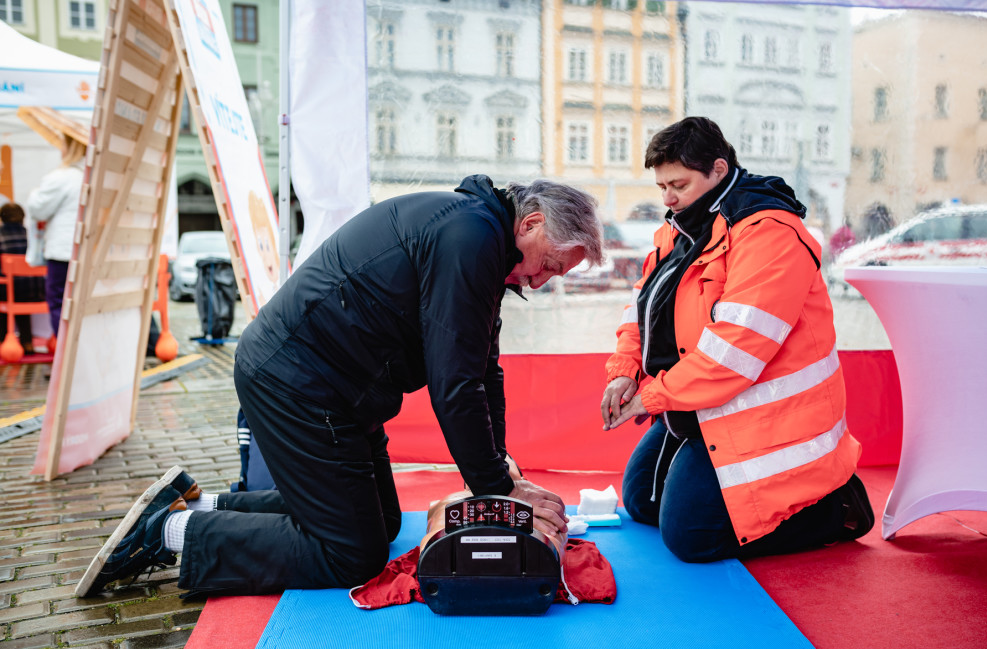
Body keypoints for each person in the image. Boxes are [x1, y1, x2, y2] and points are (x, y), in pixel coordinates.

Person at [77, 174, 604, 597]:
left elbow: (485, 370)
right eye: (550, 266)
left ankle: (199, 507)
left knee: (385, 522)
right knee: (349, 553)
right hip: (300, 384)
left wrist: (501, 468)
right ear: (530, 224)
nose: (541, 281)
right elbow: (455, 384)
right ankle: (164, 535)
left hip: (333, 388)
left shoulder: (476, 233)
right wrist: (497, 487)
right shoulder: (471, 240)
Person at [600, 117, 873, 564]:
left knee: (692, 537)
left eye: (679, 185)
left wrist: (652, 397)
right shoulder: (682, 227)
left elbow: (734, 352)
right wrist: (623, 371)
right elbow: (643, 307)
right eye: (661, 187)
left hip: (768, 419)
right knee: (642, 502)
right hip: (702, 402)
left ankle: (836, 508)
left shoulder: (770, 234)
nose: (667, 199)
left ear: (719, 170)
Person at [26, 134, 86, 337]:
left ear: (71, 147)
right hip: (85, 251)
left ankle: (65, 358)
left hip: (63, 251)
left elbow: (37, 209)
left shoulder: (62, 177)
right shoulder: (90, 176)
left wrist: (34, 192)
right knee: (80, 304)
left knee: (59, 301)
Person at [0, 203, 46, 355]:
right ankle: (27, 343)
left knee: (6, 291)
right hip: (35, 292)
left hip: (9, 293)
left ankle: (3, 341)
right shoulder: (32, 236)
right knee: (20, 293)